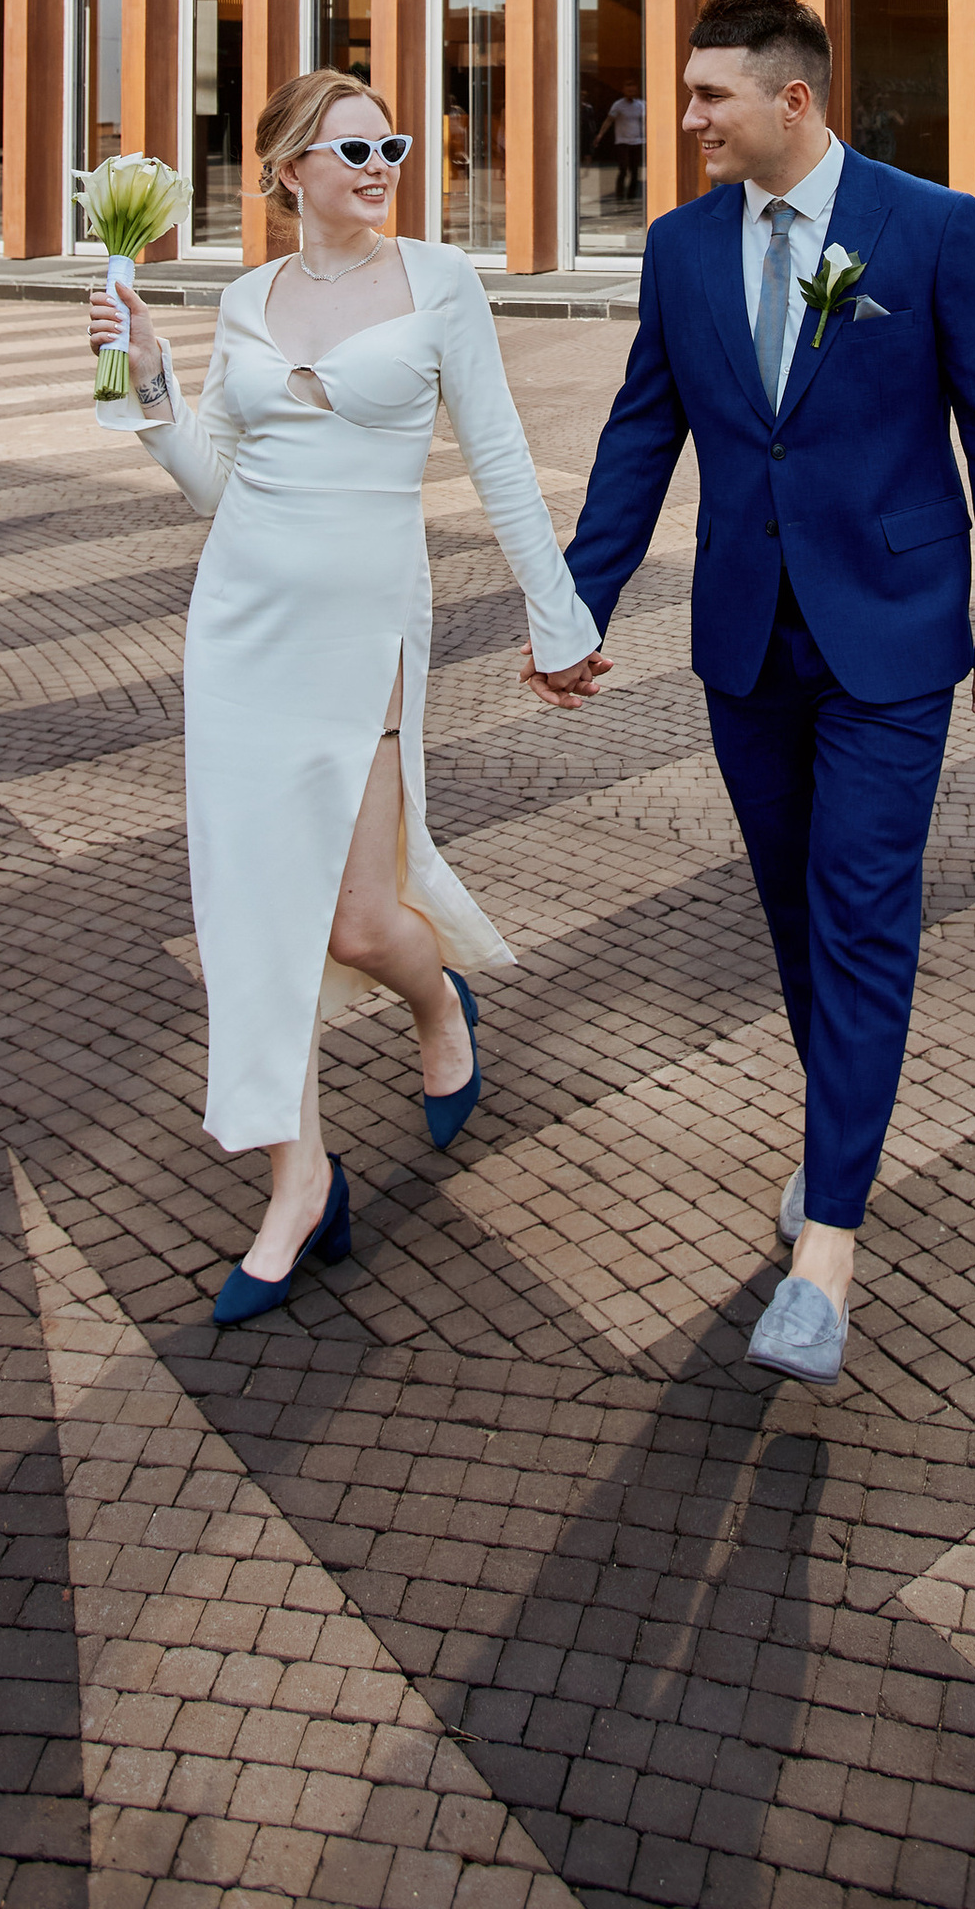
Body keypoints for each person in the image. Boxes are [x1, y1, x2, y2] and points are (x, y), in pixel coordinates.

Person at [547, 0, 975, 1383]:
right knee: (790, 914)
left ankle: (828, 1242)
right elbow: (642, 440)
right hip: (744, 639)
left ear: (793, 98)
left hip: (892, 633)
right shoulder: (681, 248)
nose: (684, 117)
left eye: (709, 96)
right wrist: (574, 606)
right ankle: (841, 1133)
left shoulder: (932, 229)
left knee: (863, 912)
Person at [89, 71, 602, 1326]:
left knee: (362, 923)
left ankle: (439, 999)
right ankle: (298, 1176)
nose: (380, 163)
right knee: (254, 913)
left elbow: (495, 458)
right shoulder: (244, 296)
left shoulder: (439, 283)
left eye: (394, 143)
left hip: (367, 623)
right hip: (241, 624)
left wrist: (556, 615)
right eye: (352, 146)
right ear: (286, 170)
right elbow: (215, 480)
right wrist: (143, 381)